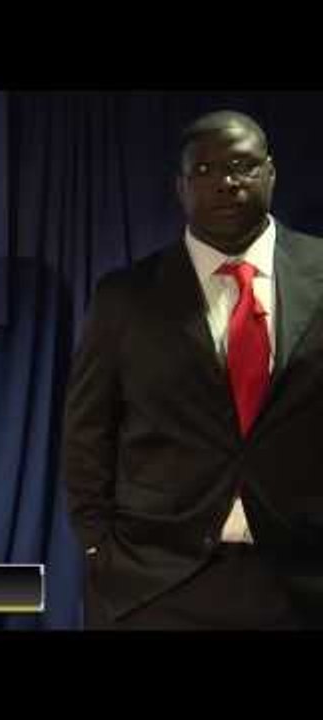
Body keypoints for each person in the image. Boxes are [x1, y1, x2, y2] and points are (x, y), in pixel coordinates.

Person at [63, 110, 323, 629]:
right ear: (180, 187)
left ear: (270, 173)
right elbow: (87, 435)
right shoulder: (125, 296)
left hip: (302, 581)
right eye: (204, 171)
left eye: (241, 166)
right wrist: (99, 550)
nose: (225, 183)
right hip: (156, 585)